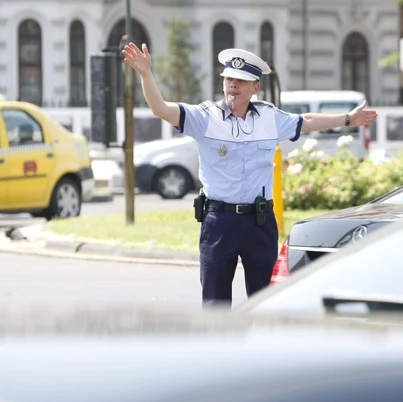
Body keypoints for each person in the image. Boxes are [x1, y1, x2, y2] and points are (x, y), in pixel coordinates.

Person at [121, 42, 378, 308]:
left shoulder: (269, 117)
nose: (233, 84)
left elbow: (307, 122)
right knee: (215, 304)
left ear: (255, 87)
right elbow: (161, 109)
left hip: (260, 222)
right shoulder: (205, 117)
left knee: (265, 301)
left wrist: (348, 119)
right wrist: (146, 74)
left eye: (241, 80)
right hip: (219, 222)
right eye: (229, 78)